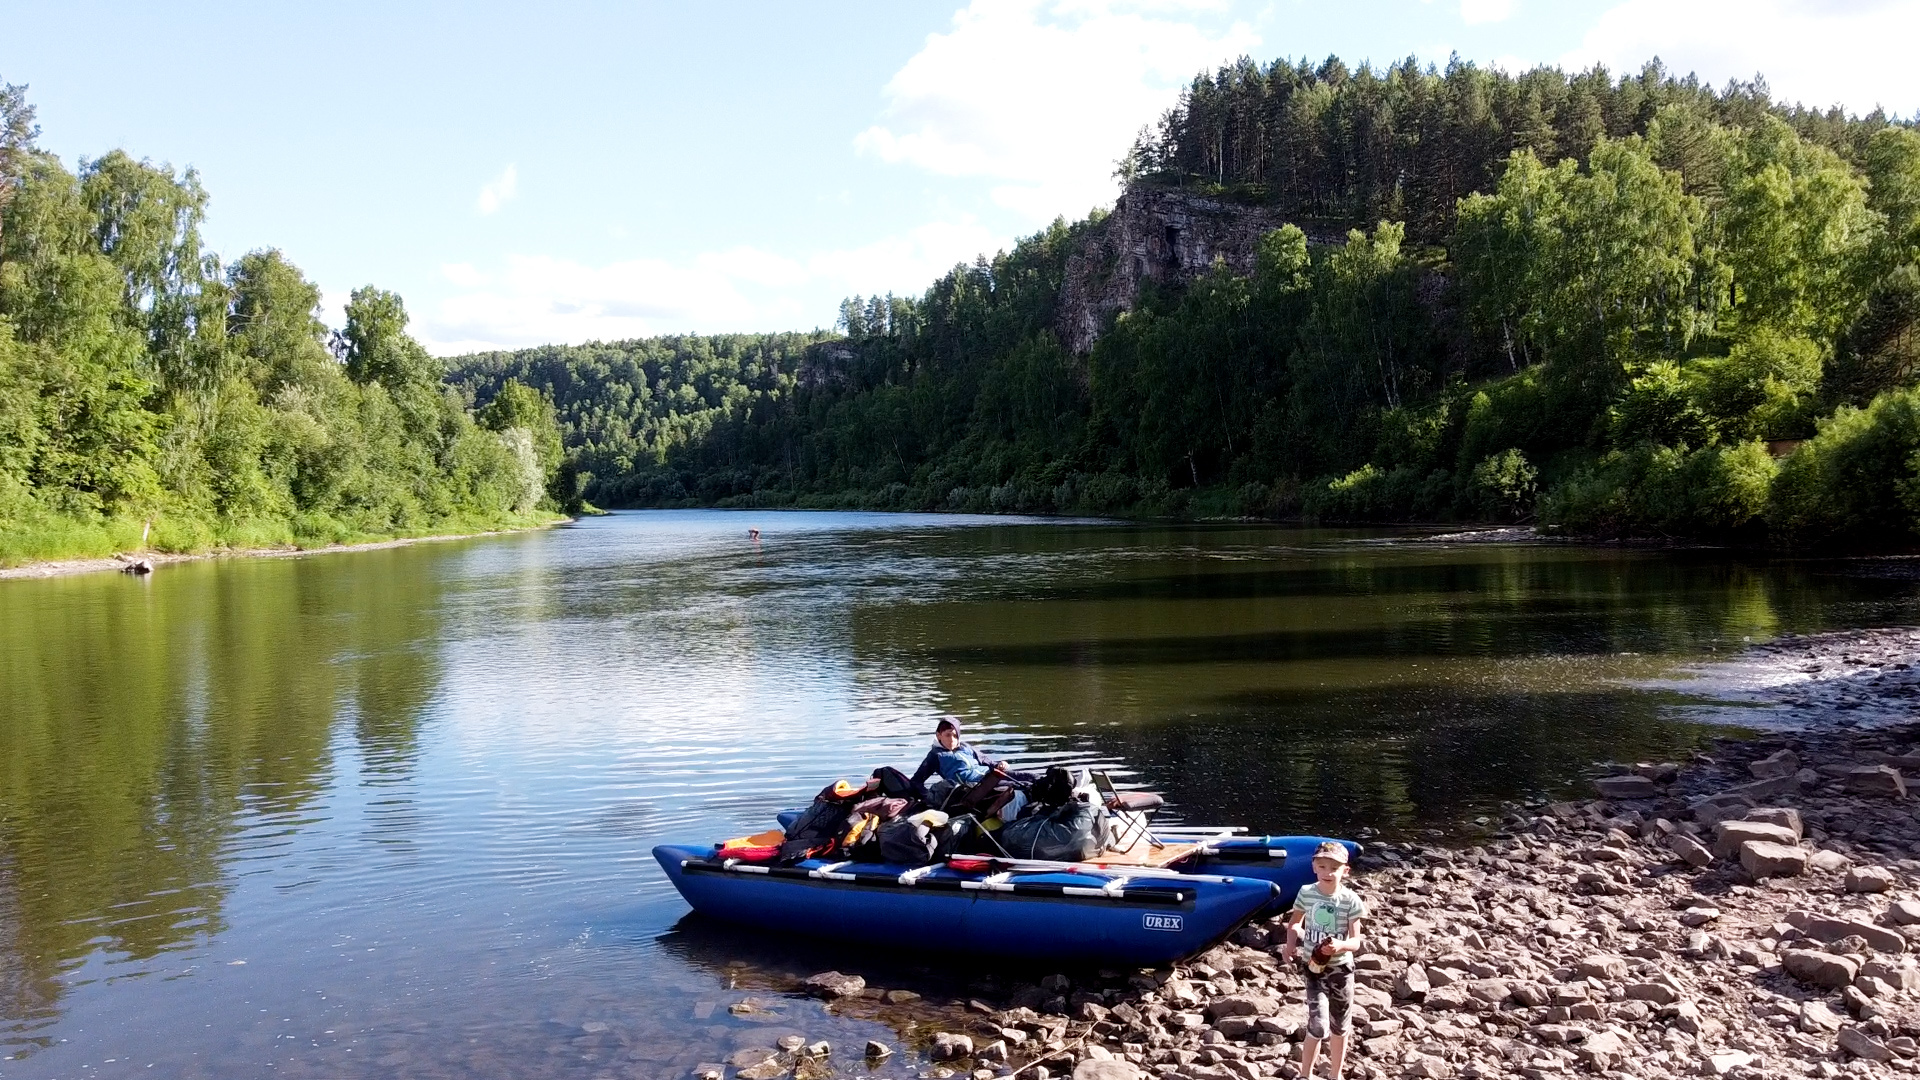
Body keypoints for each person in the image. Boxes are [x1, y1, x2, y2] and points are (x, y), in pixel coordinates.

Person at [1282, 841, 1368, 1080]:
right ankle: (1305, 1074)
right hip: (1314, 968)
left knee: (1340, 1025)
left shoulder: (1351, 900)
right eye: (1322, 866)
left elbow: (1356, 941)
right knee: (1318, 1025)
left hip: (1341, 968)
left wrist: (1340, 945)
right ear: (1314, 867)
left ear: (1345, 870)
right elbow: (1294, 924)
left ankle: (1335, 1074)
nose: (1328, 872)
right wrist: (1290, 945)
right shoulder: (1306, 893)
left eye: (1334, 868)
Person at [907, 717, 1035, 823]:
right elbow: (916, 781)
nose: (952, 739)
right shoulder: (936, 755)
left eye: (955, 736)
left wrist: (1000, 764)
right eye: (948, 735)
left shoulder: (966, 747)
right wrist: (928, 797)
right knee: (1025, 786)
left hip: (991, 776)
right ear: (938, 735)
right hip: (975, 787)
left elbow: (987, 761)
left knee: (1031, 777)